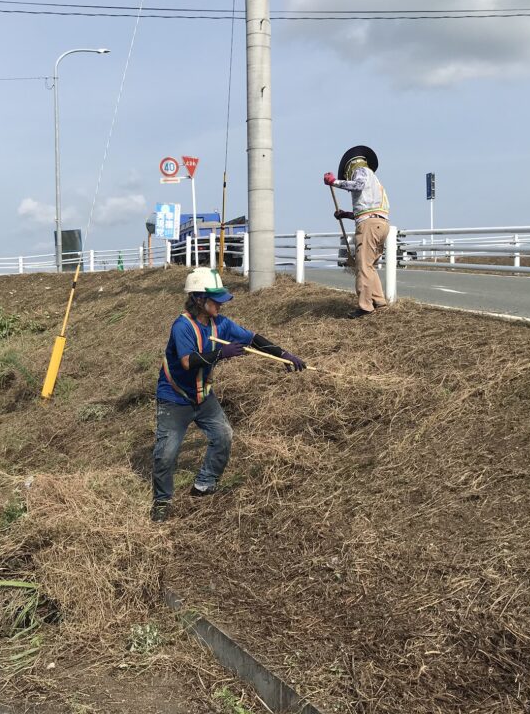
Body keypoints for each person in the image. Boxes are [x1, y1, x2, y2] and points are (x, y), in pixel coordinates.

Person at [151, 268, 306, 522]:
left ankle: (205, 483)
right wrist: (220, 354)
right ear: (199, 299)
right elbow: (188, 361)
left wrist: (283, 355)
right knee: (166, 452)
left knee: (223, 435)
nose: (221, 305)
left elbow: (252, 338)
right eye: (216, 300)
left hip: (204, 395)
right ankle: (162, 500)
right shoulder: (182, 326)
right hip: (175, 398)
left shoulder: (220, 323)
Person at [324, 145, 391, 318]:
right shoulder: (374, 179)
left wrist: (334, 182)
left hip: (369, 225)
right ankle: (379, 301)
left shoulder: (360, 171)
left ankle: (365, 306)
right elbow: (367, 209)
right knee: (369, 265)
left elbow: (357, 185)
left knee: (362, 265)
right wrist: (346, 214)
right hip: (380, 224)